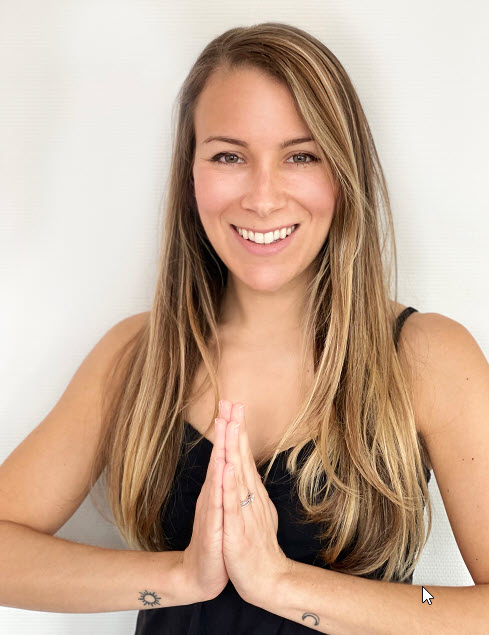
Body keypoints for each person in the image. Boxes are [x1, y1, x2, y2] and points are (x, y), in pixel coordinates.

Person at [1, 21, 488, 634]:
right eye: (229, 156)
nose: (262, 197)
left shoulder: (427, 357)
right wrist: (182, 577)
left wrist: (282, 584)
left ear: (345, 173)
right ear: (191, 174)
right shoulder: (138, 356)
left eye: (301, 156)